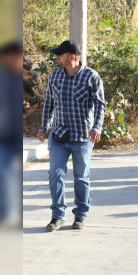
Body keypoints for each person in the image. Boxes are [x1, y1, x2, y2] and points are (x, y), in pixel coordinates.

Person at [38, 40, 106, 231]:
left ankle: (81, 215)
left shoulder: (91, 76)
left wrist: (97, 127)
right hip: (59, 135)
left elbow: (100, 104)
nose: (57, 57)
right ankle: (57, 215)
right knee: (55, 174)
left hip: (83, 136)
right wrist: (44, 127)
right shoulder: (55, 76)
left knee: (81, 177)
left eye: (61, 55)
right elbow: (48, 103)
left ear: (72, 57)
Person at [0, 42, 24, 229]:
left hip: (19, 134)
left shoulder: (26, 76)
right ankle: (1, 215)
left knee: (19, 177)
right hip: (1, 133)